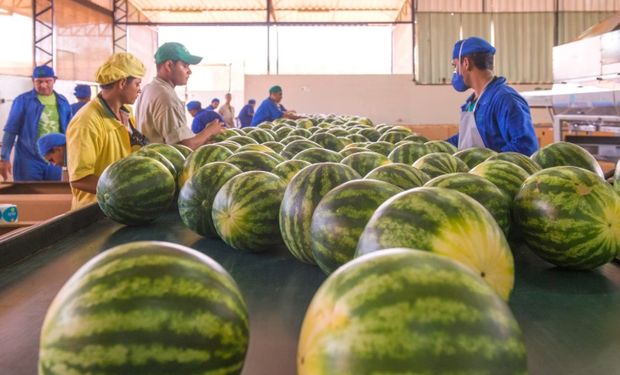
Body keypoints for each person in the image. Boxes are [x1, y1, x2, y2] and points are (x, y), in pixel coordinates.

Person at [67, 52, 147, 210]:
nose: (139, 90)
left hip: (122, 207)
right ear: (123, 83)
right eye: (137, 84)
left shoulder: (127, 113)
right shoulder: (86, 122)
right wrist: (126, 191)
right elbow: (80, 179)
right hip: (94, 212)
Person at [446, 37, 538, 156]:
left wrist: (485, 163)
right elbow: (466, 139)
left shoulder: (505, 99)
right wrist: (435, 147)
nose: (455, 71)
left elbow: (525, 145)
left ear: (466, 63)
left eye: (455, 66)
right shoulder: (473, 102)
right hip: (475, 172)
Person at [135, 42, 223, 149]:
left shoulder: (149, 89)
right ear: (169, 65)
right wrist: (209, 131)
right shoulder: (166, 97)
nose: (189, 71)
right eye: (185, 66)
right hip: (164, 164)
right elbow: (182, 147)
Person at [0, 65, 71, 181]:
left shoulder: (63, 102)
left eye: (48, 81)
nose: (43, 85)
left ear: (54, 81)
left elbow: (70, 131)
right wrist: (4, 158)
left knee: (52, 195)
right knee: (27, 195)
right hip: (28, 159)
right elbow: (10, 130)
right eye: (39, 82)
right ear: (33, 81)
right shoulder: (22, 101)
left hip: (55, 159)